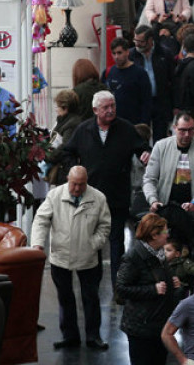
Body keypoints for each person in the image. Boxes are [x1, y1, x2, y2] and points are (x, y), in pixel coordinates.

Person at [60, 90, 151, 289]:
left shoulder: (125, 129)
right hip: (90, 196)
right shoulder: (83, 130)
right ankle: (93, 283)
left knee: (116, 240)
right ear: (95, 110)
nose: (111, 111)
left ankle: (119, 285)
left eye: (113, 106)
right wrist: (73, 170)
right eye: (106, 107)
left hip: (117, 195)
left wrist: (145, 153)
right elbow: (67, 152)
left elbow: (142, 147)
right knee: (92, 243)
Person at [31, 166, 111, 350]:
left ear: (86, 182)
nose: (77, 188)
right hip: (60, 256)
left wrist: (94, 244)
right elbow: (41, 220)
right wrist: (38, 244)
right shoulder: (54, 195)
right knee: (65, 297)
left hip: (88, 256)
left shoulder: (98, 198)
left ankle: (93, 336)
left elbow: (105, 226)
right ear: (68, 179)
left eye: (81, 185)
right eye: (74, 184)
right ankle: (69, 336)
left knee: (90, 297)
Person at [117, 213, 182, 364]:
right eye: (165, 232)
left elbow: (163, 285)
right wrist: (152, 289)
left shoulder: (160, 254)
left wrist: (174, 286)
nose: (168, 235)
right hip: (141, 328)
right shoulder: (134, 257)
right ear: (154, 235)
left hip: (159, 324)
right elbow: (121, 288)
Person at [144, 113, 194, 237]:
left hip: (192, 211)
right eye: (182, 130)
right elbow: (149, 179)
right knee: (166, 249)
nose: (187, 135)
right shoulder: (161, 146)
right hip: (165, 209)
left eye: (191, 130)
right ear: (174, 128)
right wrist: (153, 200)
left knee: (189, 250)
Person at [130, 25, 174, 140]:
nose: (137, 44)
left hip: (160, 101)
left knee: (160, 137)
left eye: (141, 41)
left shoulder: (164, 53)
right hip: (140, 103)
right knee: (140, 135)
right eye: (135, 41)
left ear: (150, 40)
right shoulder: (131, 55)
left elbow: (173, 79)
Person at [105, 37, 153, 126]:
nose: (116, 57)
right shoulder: (109, 72)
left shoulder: (140, 73)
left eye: (119, 53)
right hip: (113, 125)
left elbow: (147, 102)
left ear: (127, 52)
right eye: (114, 53)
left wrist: (143, 124)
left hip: (134, 124)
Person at [45, 90, 83, 186]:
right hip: (64, 167)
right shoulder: (67, 120)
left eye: (57, 106)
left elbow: (65, 146)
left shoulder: (71, 124)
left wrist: (49, 156)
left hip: (66, 169)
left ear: (65, 108)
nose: (56, 109)